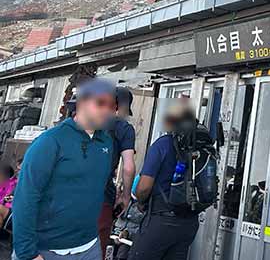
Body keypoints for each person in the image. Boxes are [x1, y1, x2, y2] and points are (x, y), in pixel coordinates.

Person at [12, 78, 116, 260]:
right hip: (47, 249)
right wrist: (27, 253)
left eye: (112, 106)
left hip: (90, 247)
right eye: (101, 103)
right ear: (82, 103)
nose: (107, 110)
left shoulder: (106, 142)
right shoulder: (50, 141)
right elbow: (25, 197)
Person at [128, 104, 200, 260]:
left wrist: (140, 202)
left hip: (162, 220)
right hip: (190, 223)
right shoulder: (199, 147)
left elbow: (144, 187)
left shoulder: (162, 145)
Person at [97, 86, 136, 259]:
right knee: (96, 247)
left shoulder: (87, 121)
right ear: (123, 106)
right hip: (102, 195)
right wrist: (125, 196)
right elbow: (128, 167)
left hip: (71, 194)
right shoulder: (124, 128)